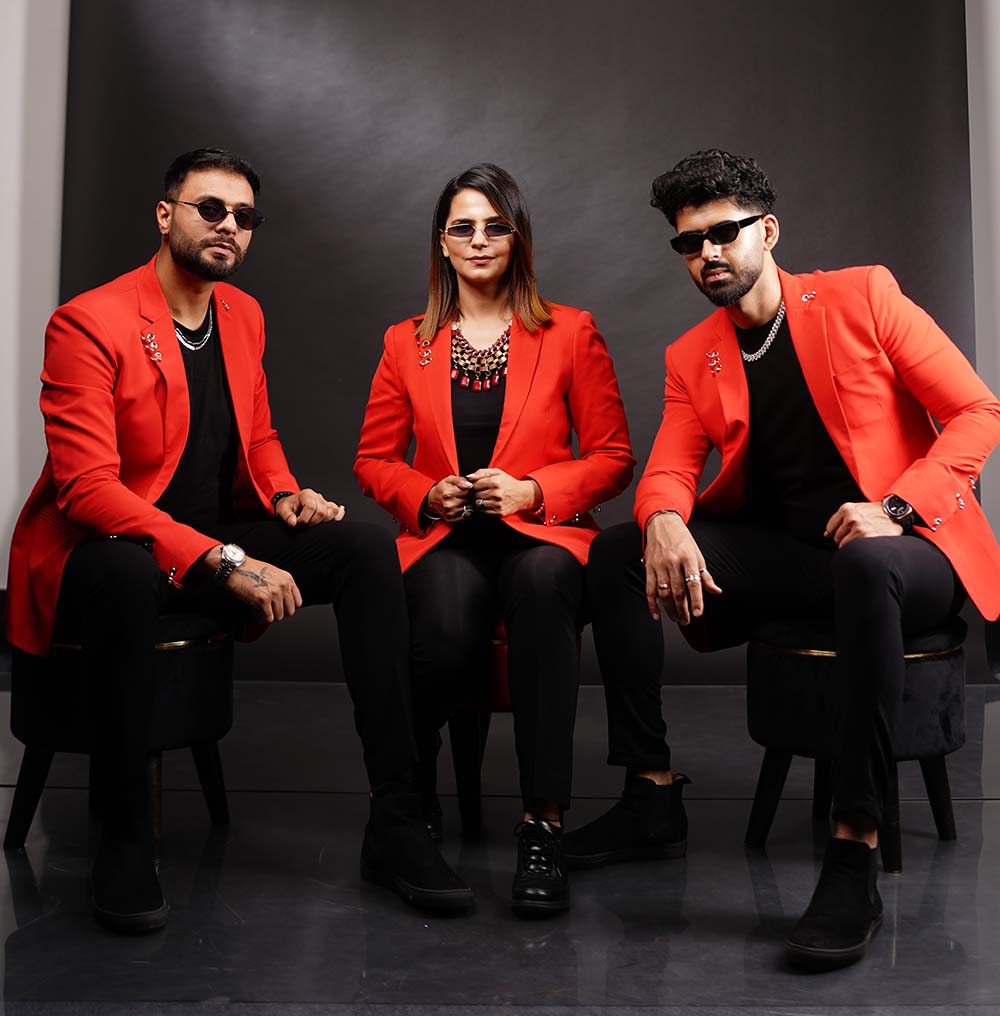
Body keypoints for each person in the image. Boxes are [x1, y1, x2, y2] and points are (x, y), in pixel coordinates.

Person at [5, 147, 472, 934]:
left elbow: (257, 437)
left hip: (208, 542)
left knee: (363, 551)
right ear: (165, 215)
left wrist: (285, 495)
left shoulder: (242, 314)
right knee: (124, 574)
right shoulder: (89, 321)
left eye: (245, 216)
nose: (229, 225)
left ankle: (397, 820)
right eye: (211, 209)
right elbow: (87, 490)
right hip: (104, 552)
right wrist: (220, 559)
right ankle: (123, 839)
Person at [564, 149, 1000, 968]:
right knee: (622, 547)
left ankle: (854, 847)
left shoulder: (862, 295)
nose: (707, 255)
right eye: (689, 243)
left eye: (723, 234)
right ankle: (649, 793)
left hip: (911, 553)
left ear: (767, 230)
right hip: (799, 560)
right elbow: (668, 467)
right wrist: (663, 518)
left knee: (865, 565)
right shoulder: (693, 355)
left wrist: (895, 508)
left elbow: (978, 410)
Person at [354, 163, 634, 915]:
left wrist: (534, 490)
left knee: (544, 590)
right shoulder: (405, 342)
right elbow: (374, 460)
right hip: (445, 542)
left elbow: (613, 457)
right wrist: (424, 494)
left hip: (543, 538)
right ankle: (410, 806)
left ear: (518, 237)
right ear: (442, 244)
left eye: (495, 226)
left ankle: (542, 825)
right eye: (463, 227)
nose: (479, 240)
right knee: (443, 626)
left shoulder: (571, 331)